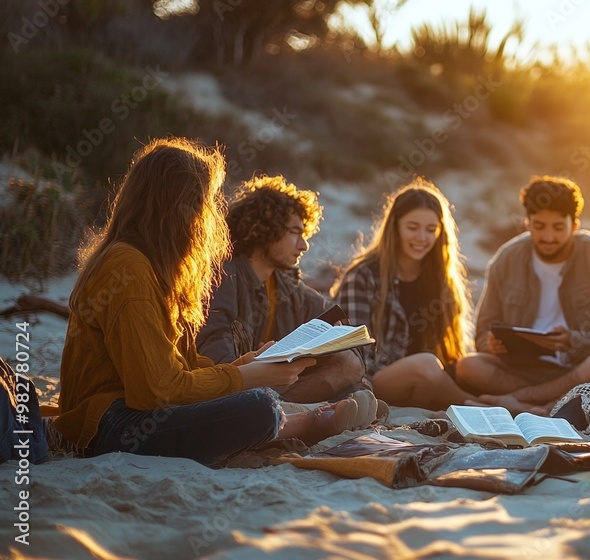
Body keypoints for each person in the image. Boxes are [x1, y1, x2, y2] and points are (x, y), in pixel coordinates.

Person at [53, 138, 368, 466]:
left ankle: (297, 419)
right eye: (205, 203)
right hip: (107, 423)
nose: (210, 217)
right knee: (256, 408)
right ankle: (303, 423)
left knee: (252, 402)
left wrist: (242, 366)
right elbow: (157, 390)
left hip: (141, 411)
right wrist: (249, 377)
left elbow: (181, 367)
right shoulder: (127, 266)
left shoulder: (158, 269)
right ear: (178, 207)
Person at [455, 176, 590, 414]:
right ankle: (546, 404)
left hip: (576, 367)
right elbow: (483, 333)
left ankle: (519, 402)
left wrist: (572, 340)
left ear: (574, 226)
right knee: (468, 366)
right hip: (521, 369)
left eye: (558, 227)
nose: (548, 237)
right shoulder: (506, 259)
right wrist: (491, 344)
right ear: (527, 223)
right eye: (539, 226)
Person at [196, 175, 366, 403]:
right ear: (264, 228)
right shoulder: (224, 275)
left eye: (304, 235)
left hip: (273, 386)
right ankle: (286, 411)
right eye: (294, 233)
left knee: (347, 362)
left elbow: (333, 319)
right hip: (234, 385)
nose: (304, 245)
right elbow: (215, 351)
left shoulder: (288, 286)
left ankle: (295, 409)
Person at [330, 178, 475, 410]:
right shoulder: (362, 277)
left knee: (472, 366)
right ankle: (478, 405)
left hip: (424, 384)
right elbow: (355, 355)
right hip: (374, 381)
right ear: (395, 227)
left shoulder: (438, 278)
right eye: (412, 227)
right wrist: (366, 400)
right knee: (426, 366)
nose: (422, 238)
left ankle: (485, 403)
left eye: (431, 230)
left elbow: (446, 351)